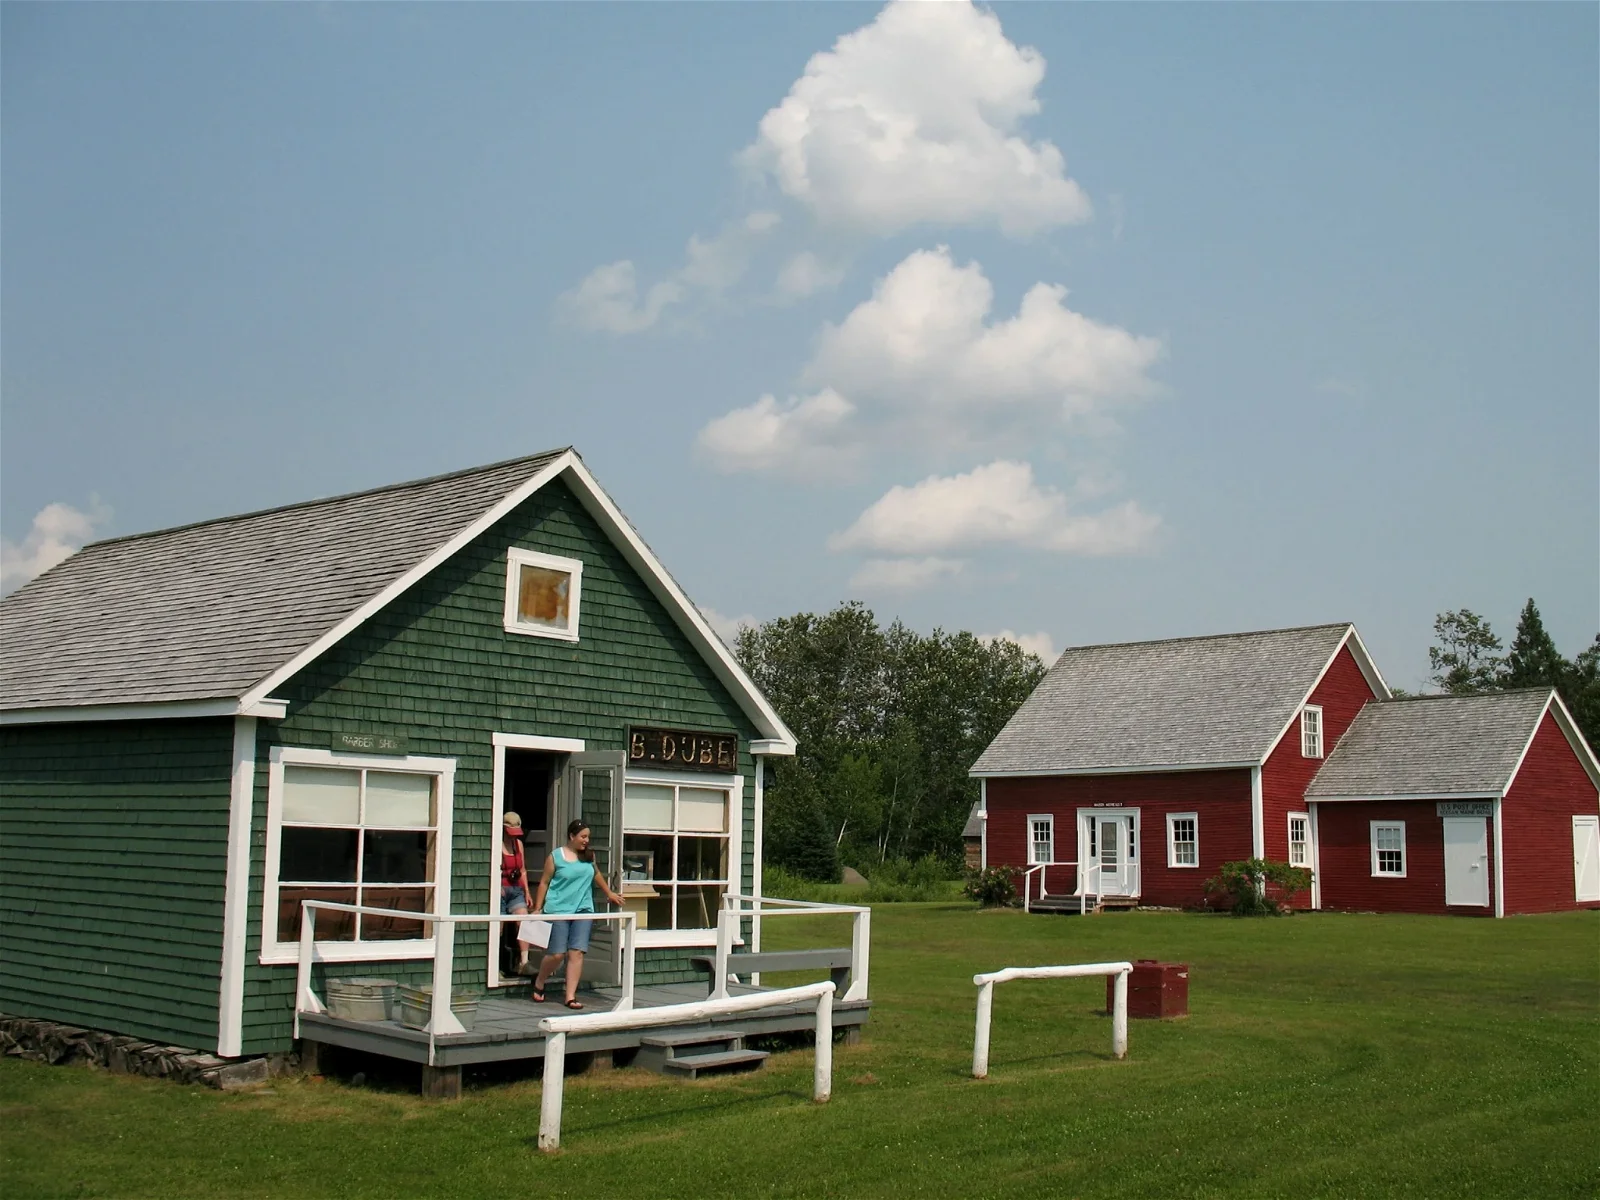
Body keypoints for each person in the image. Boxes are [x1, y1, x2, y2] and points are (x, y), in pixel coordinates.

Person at [531, 818, 624, 1008]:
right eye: (583, 836)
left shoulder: (589, 856)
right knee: (557, 954)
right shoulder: (556, 857)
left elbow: (596, 874)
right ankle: (540, 980)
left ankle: (570, 996)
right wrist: (537, 908)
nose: (586, 840)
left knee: (577, 953)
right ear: (572, 836)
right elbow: (544, 882)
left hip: (583, 909)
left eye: (588, 837)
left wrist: (609, 893)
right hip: (558, 910)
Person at [500, 812, 536, 976]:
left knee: (524, 920)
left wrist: (527, 891)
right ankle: (495, 963)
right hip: (500, 888)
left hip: (515, 889)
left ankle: (524, 962)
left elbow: (522, 870)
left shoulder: (518, 845)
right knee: (497, 926)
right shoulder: (496, 844)